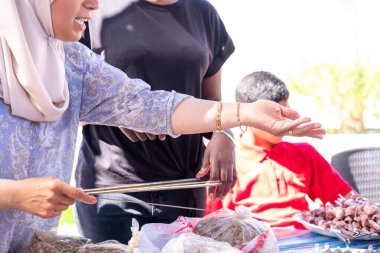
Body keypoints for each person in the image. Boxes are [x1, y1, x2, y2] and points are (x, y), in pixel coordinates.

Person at [0, 1, 324, 251]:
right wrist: (14, 193)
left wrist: (245, 113)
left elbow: (150, 105)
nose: (95, 4)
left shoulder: (71, 62)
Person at [75, 0, 237, 243]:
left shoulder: (204, 13)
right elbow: (66, 96)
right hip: (115, 191)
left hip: (184, 190)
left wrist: (224, 135)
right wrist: (117, 111)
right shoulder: (95, 8)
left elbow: (213, 101)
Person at [211, 71, 353, 229]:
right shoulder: (229, 160)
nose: (285, 122)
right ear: (249, 116)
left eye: (287, 112)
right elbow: (213, 222)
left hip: (307, 241)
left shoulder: (305, 153)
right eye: (275, 115)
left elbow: (350, 202)